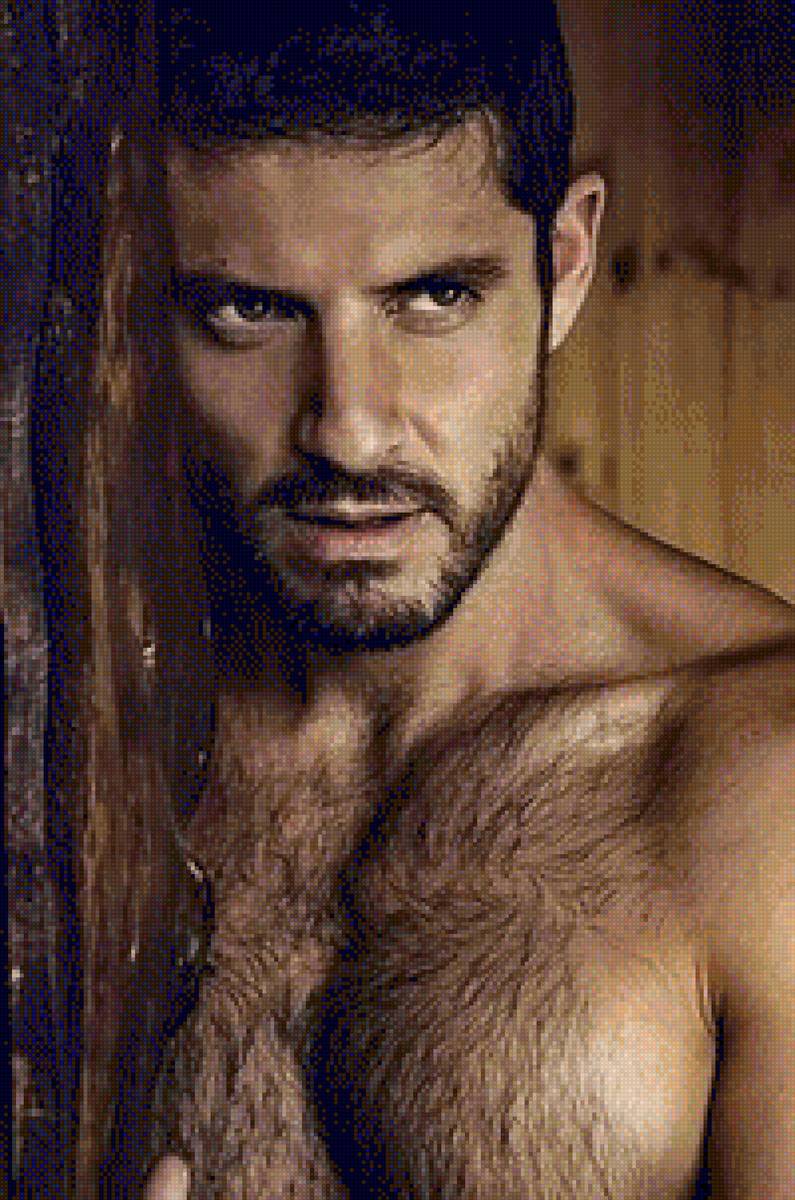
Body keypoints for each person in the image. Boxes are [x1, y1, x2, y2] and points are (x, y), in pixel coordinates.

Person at [137, 1, 795, 1196]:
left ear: (566, 261)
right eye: (251, 309)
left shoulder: (763, 785)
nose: (348, 427)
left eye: (434, 297)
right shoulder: (78, 751)